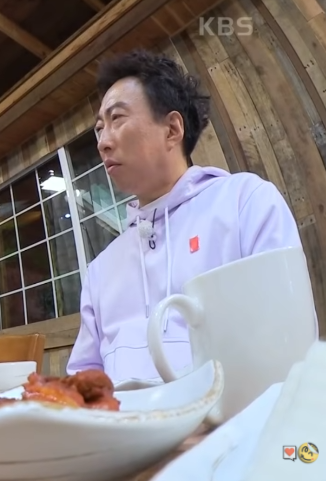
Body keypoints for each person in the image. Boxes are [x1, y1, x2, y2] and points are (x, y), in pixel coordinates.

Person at [66, 49, 307, 383]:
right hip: (120, 418)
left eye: (117, 118)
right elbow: (82, 377)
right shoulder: (100, 270)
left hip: (232, 414)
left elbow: (288, 344)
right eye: (99, 128)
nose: (103, 143)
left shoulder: (244, 203)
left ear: (172, 129)